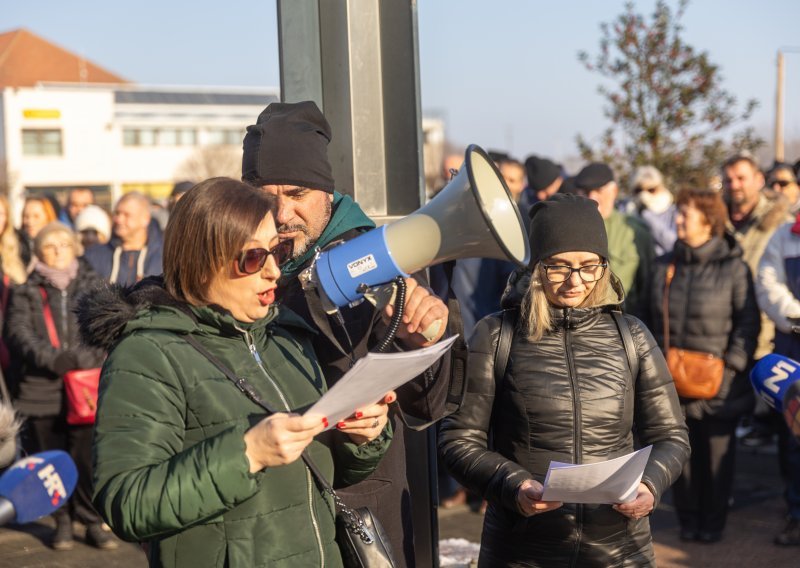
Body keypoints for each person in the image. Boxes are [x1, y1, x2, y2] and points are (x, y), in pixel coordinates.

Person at [84, 178, 393, 567]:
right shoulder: (147, 355)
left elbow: (331, 475)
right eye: (252, 258)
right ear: (202, 261)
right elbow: (125, 503)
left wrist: (361, 435)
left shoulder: (286, 334)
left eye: (277, 252)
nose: (273, 273)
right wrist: (247, 453)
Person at [241, 100, 451, 568]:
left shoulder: (379, 260)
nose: (280, 212)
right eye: (263, 194)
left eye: (297, 192)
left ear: (328, 194)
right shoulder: (232, 261)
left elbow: (429, 405)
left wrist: (428, 339)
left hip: (359, 506)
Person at [439, 194, 689, 567]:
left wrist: (650, 485)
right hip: (523, 550)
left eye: (590, 266)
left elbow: (671, 436)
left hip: (619, 551)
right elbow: (458, 439)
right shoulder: (495, 335)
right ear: (535, 266)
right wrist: (514, 485)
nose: (576, 281)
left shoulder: (632, 335)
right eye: (558, 266)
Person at [650, 188, 760, 543]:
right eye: (678, 213)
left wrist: (730, 373)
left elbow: (747, 324)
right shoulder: (663, 265)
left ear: (708, 222)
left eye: (685, 214)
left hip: (719, 384)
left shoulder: (734, 268)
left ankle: (712, 527)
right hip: (671, 385)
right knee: (677, 462)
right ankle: (687, 522)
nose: (677, 220)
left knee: (715, 463)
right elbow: (647, 319)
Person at [4, 222, 112, 550]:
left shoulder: (94, 284)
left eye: (63, 245)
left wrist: (84, 357)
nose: (57, 252)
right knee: (49, 457)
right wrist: (51, 359)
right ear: (38, 252)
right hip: (41, 389)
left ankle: (91, 520)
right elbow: (18, 331)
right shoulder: (27, 288)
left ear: (74, 248)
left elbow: (106, 327)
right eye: (49, 247)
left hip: (84, 387)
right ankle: (62, 519)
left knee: (85, 458)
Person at [755, 213, 800, 546]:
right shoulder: (784, 235)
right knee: (794, 440)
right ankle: (796, 514)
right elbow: (768, 285)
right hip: (794, 345)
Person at [572, 162, 655, 324]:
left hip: (624, 324)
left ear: (614, 191)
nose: (593, 197)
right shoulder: (569, 229)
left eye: (599, 191)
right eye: (587, 192)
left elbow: (649, 287)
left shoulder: (634, 231)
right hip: (578, 325)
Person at [84, 192, 162, 286]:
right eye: (117, 213)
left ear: (145, 219)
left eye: (126, 215)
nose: (119, 219)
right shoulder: (94, 255)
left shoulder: (163, 257)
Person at [631, 165, 677, 256]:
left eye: (651, 190)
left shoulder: (673, 212)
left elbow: (672, 243)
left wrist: (647, 215)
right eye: (638, 190)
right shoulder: (630, 212)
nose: (644, 195)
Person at [20, 196, 58, 266]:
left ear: (48, 217)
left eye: (36, 216)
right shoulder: (16, 246)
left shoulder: (59, 246)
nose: (30, 222)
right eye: (26, 216)